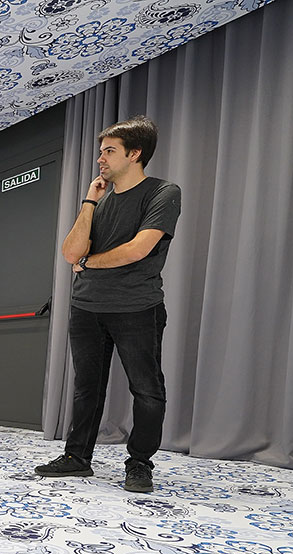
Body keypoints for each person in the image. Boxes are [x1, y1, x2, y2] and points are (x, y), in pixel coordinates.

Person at [36, 116, 181, 494]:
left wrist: (88, 263)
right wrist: (89, 201)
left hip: (137, 307)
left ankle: (139, 464)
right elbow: (70, 252)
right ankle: (77, 457)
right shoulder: (99, 202)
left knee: (147, 390)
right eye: (101, 151)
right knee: (87, 388)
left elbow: (137, 250)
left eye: (109, 151)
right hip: (87, 307)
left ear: (135, 154)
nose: (100, 158)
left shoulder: (163, 192)